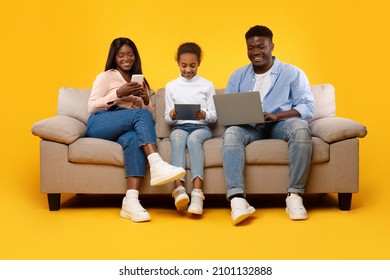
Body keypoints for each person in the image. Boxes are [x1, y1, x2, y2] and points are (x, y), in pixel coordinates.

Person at [86, 37, 186, 223]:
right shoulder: (106, 77)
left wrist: (145, 100)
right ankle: (156, 163)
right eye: (121, 55)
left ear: (135, 56)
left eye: (130, 54)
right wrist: (118, 93)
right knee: (139, 115)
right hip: (100, 122)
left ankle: (130, 201)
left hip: (126, 125)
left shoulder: (141, 81)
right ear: (114, 57)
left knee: (133, 139)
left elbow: (148, 117)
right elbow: (91, 107)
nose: (126, 58)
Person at [223, 25, 315, 225]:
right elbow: (226, 109)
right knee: (231, 133)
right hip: (249, 127)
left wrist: (277, 115)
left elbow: (307, 106)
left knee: (300, 128)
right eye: (250, 47)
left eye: (260, 46)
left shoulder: (292, 73)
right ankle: (237, 199)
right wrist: (242, 116)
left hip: (279, 125)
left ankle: (294, 196)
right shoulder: (238, 76)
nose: (255, 52)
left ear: (271, 46)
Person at [164, 42, 217, 215]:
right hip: (179, 127)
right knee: (178, 138)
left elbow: (214, 116)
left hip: (200, 128)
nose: (188, 70)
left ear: (199, 63)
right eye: (184, 65)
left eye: (192, 66)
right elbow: (167, 119)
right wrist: (172, 115)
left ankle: (197, 193)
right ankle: (179, 190)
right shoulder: (171, 86)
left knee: (194, 140)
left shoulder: (207, 85)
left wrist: (204, 115)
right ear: (178, 63)